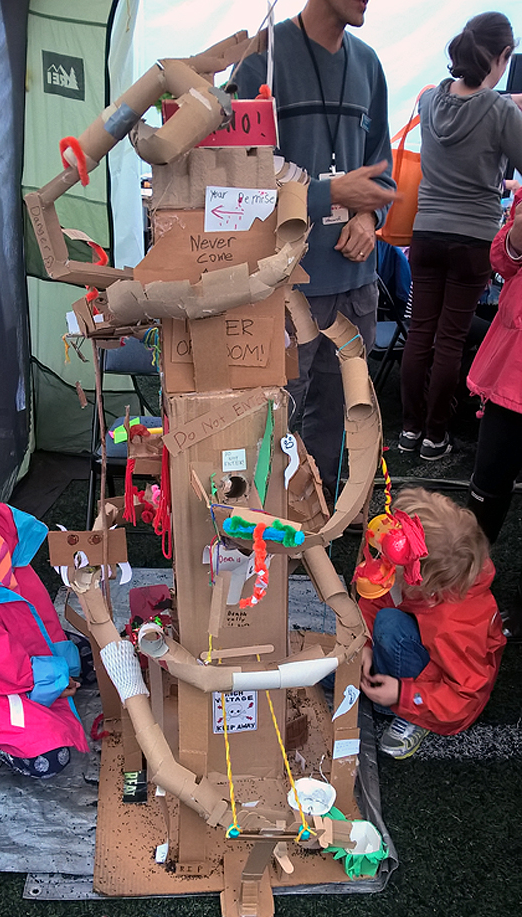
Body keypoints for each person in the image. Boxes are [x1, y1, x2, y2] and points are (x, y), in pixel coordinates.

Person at [234, 0, 395, 497]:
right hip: (284, 291)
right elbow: (242, 180)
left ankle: (315, 522)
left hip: (355, 287)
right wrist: (332, 194)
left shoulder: (368, 63)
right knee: (273, 421)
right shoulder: (262, 61)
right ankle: (267, 534)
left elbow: (381, 168)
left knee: (339, 418)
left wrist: (370, 215)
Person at [399, 12, 522, 461]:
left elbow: (455, 97)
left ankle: (410, 430)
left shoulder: (430, 100)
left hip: (426, 232)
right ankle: (436, 436)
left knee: (420, 334)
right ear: (501, 56)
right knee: (451, 339)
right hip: (473, 239)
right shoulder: (500, 109)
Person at [0, 441, 88, 776]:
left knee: (90, 659)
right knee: (50, 757)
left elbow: (33, 601)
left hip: (16, 654)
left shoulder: (0, 528)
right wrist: (40, 678)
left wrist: (57, 652)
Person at [358, 487, 505, 759]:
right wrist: (364, 643)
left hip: (438, 694)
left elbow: (464, 699)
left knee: (389, 625)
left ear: (421, 579)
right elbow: (380, 597)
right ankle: (384, 676)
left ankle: (413, 715)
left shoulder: (458, 625)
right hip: (419, 645)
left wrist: (403, 694)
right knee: (349, 655)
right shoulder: (426, 579)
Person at [467, 184, 522, 636]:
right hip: (511, 368)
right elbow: (501, 261)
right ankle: (463, 579)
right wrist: (516, 237)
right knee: (488, 481)